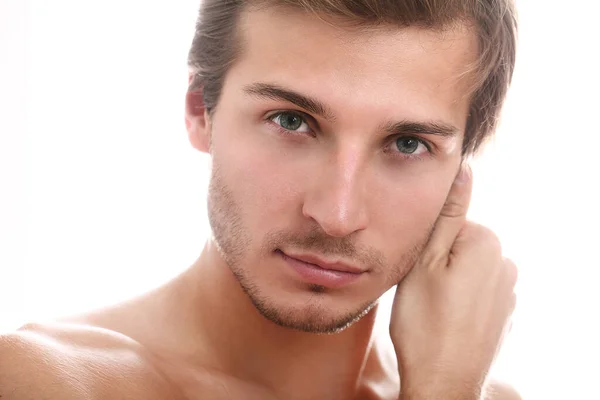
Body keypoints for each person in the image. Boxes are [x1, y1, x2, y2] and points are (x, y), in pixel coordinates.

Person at [0, 0, 521, 398]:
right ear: (200, 111)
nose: (337, 216)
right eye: (291, 121)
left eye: (408, 144)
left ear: (461, 169)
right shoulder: (46, 382)